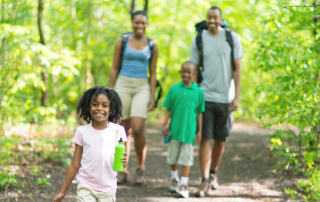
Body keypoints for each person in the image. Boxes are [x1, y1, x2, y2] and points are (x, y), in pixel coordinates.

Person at [189, 6, 244, 197]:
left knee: (220, 140)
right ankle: (204, 179)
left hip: (226, 98)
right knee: (205, 138)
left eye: (215, 18)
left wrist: (236, 96)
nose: (212, 21)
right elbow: (193, 68)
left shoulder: (232, 38)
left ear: (221, 20)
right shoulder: (199, 39)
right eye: (208, 18)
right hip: (205, 96)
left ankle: (213, 173)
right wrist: (194, 94)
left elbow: (237, 68)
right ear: (206, 20)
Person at [108, 10, 158, 185]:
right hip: (123, 84)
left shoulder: (152, 44)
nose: (140, 26)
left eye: (143, 23)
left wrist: (152, 96)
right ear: (132, 23)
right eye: (137, 22)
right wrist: (109, 91)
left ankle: (140, 168)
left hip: (142, 86)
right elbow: (114, 67)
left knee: (137, 129)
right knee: (122, 129)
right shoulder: (122, 41)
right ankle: (121, 169)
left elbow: (153, 72)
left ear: (147, 24)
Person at [53, 86, 128, 202]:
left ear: (111, 108)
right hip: (86, 186)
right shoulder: (82, 131)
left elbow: (123, 158)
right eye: (95, 104)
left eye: (105, 105)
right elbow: (74, 164)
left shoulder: (118, 131)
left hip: (108, 189)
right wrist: (63, 192)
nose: (99, 108)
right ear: (88, 107)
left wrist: (124, 161)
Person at [162, 61, 205, 198]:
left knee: (186, 158)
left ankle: (184, 184)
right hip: (174, 131)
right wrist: (165, 124)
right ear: (180, 72)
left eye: (189, 72)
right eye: (184, 71)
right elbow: (169, 109)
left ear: (194, 74)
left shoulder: (199, 92)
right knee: (173, 157)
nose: (186, 74)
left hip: (189, 132)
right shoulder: (174, 90)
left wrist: (199, 131)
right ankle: (174, 179)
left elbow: (199, 112)